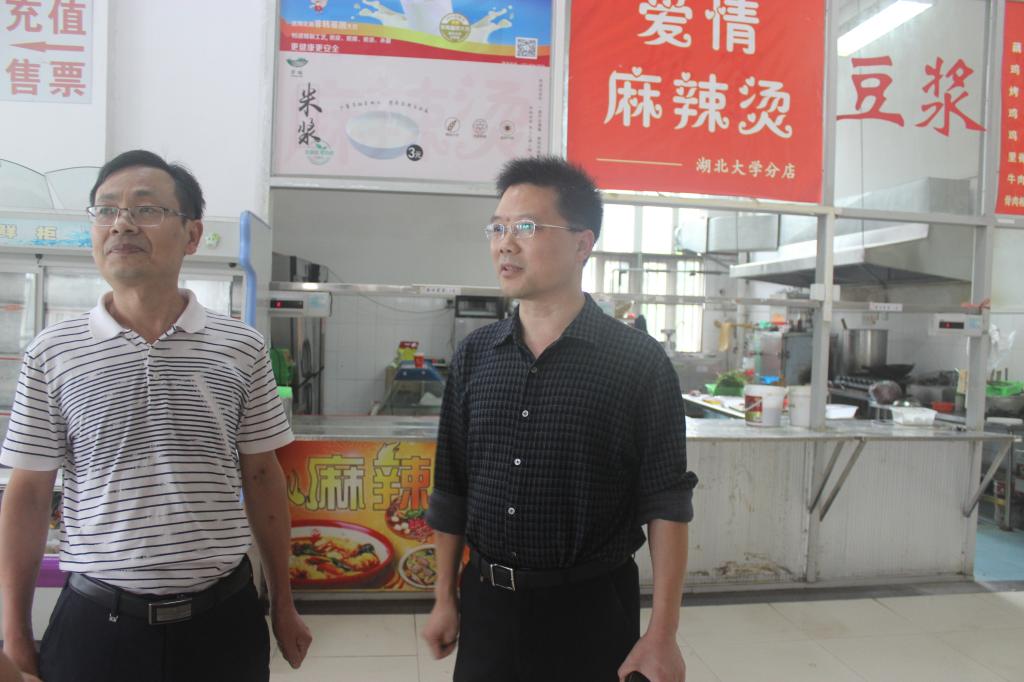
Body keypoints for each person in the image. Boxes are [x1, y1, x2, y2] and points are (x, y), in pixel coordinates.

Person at [0, 150, 312, 682]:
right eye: (106, 210)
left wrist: (283, 603)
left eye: (146, 209)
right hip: (96, 626)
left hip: (222, 622)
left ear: (192, 235)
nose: (121, 223)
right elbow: (29, 493)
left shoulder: (242, 347)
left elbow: (263, 476)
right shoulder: (53, 351)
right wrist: (14, 629)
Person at [421, 156, 697, 682]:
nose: (505, 244)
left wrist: (662, 634)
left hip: (590, 611)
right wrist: (443, 597)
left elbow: (666, 502)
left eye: (526, 227)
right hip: (487, 605)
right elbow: (451, 486)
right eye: (497, 228)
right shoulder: (475, 355)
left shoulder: (637, 361)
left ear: (581, 244)